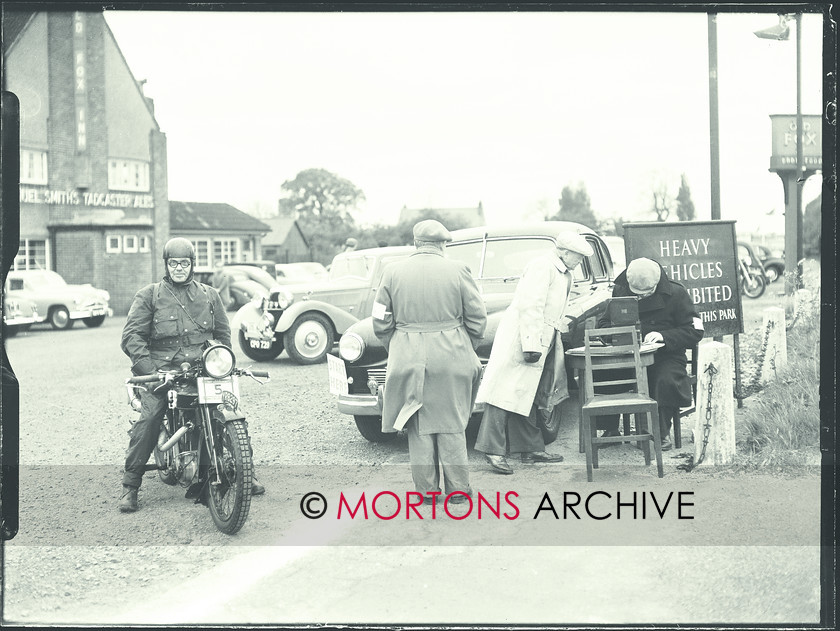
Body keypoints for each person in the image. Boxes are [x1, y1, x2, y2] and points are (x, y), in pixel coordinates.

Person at [118, 238, 264, 513]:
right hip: (163, 371)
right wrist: (150, 372)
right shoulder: (149, 295)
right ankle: (131, 485)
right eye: (173, 263)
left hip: (202, 368)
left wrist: (221, 362)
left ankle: (245, 470)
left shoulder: (209, 295)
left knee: (230, 411)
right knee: (150, 418)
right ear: (166, 265)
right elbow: (131, 337)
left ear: (192, 265)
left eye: (184, 263)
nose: (179, 268)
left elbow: (222, 336)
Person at [373, 219, 487, 504]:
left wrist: (397, 343)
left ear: (415, 242)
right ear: (443, 244)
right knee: (452, 423)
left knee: (417, 423)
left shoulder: (392, 271)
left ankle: (426, 492)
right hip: (453, 353)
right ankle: (459, 491)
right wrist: (462, 345)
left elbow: (378, 319)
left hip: (406, 354)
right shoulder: (459, 270)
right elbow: (478, 319)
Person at [475, 231, 593, 474]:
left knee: (528, 393)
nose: (579, 262)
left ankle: (529, 448)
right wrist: (531, 344)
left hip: (542, 335)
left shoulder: (560, 270)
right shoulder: (543, 267)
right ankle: (492, 449)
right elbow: (531, 305)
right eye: (578, 257)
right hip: (525, 337)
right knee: (503, 393)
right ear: (564, 252)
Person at [596, 256, 704, 451]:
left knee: (666, 379)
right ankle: (611, 430)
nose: (641, 298)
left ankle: (659, 432)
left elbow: (695, 330)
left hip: (665, 355)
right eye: (636, 295)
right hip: (629, 354)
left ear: (656, 284)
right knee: (604, 372)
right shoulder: (620, 289)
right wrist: (616, 337)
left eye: (646, 294)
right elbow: (604, 323)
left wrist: (663, 336)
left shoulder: (676, 293)